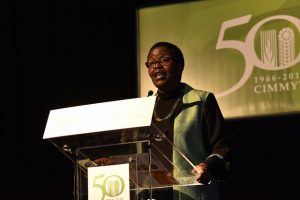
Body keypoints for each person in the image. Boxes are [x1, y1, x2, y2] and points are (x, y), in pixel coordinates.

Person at [143, 41, 234, 200]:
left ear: (180, 66)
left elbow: (223, 145)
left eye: (164, 60)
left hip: (193, 193)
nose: (157, 66)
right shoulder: (144, 108)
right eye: (151, 63)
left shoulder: (202, 101)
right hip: (153, 194)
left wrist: (208, 166)